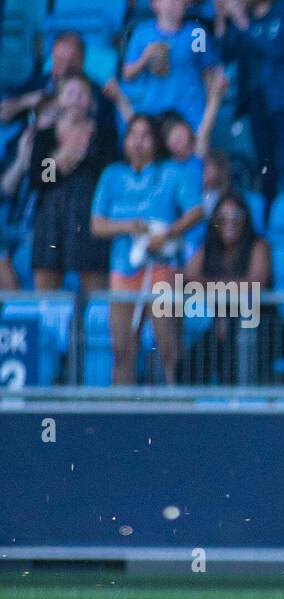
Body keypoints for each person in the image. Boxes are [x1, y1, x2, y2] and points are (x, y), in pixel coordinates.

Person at [91, 114, 204, 384]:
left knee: (168, 345)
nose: (138, 142)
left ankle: (175, 408)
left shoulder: (173, 173)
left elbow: (197, 210)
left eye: (146, 135)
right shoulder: (111, 175)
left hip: (163, 267)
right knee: (121, 347)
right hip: (123, 269)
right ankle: (121, 411)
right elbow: (96, 225)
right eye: (133, 135)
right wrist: (129, 227)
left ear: (156, 141)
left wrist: (168, 234)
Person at [28, 73, 116, 298]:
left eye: (81, 93)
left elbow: (107, 175)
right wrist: (57, 165)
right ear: (59, 99)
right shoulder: (46, 135)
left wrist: (80, 156)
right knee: (46, 282)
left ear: (91, 101)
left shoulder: (103, 133)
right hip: (52, 216)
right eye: (70, 93)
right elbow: (37, 180)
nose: (75, 99)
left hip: (88, 213)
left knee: (94, 283)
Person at [181, 191, 281, 383]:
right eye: (222, 217)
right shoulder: (209, 247)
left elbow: (255, 284)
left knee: (234, 360)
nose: (229, 222)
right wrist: (229, 286)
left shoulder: (258, 246)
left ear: (246, 219)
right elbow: (189, 277)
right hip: (222, 327)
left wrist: (209, 285)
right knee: (187, 367)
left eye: (236, 216)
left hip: (261, 328)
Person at [215, 0, 284, 212]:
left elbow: (278, 48)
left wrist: (243, 23)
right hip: (257, 102)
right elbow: (226, 53)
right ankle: (268, 216)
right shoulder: (245, 17)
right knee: (264, 165)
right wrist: (222, 19)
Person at [121, 0, 224, 132]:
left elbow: (208, 74)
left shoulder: (197, 33)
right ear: (155, 4)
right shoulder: (142, 32)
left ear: (187, 4)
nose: (173, 3)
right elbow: (127, 74)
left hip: (191, 114)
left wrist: (207, 115)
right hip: (155, 114)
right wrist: (145, 59)